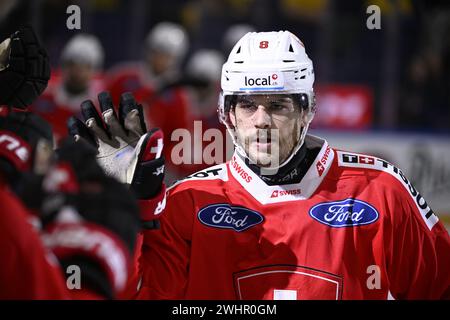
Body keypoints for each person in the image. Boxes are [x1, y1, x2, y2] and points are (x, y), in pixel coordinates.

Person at [75, 30, 450, 299]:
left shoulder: (381, 190)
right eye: (247, 105)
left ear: (308, 111)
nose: (261, 120)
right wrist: (125, 211)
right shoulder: (187, 203)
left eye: (278, 105)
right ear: (227, 114)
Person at [29, 33, 105, 141]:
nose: (78, 73)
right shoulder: (42, 92)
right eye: (72, 64)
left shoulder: (100, 109)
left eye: (85, 67)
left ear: (94, 71)